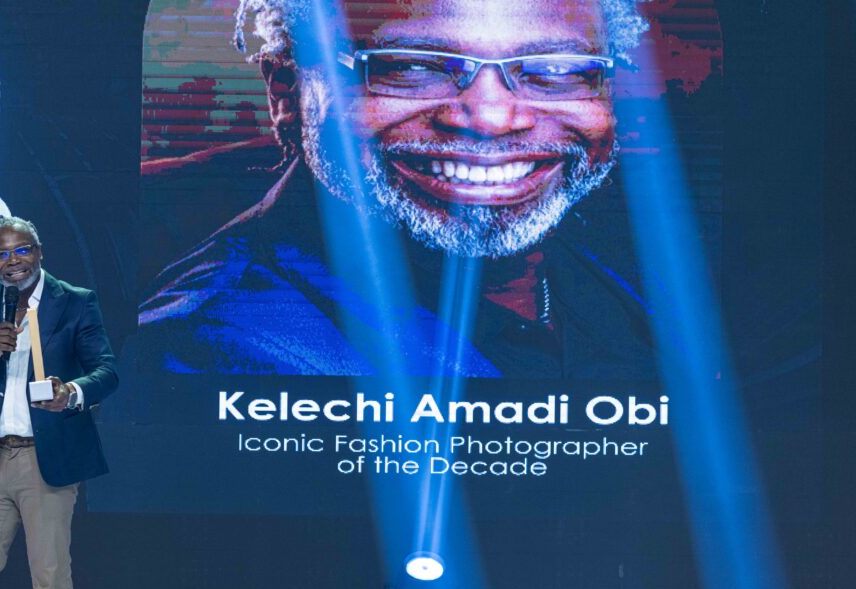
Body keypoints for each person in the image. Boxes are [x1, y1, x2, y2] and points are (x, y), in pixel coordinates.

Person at [138, 0, 655, 379]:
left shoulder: (622, 272)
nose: (492, 119)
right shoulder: (220, 347)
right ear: (287, 90)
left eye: (556, 70)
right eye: (411, 67)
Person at [0, 215, 118, 589]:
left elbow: (107, 371)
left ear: (39, 252)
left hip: (46, 461)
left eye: (21, 250)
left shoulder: (75, 301)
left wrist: (71, 393)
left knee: (50, 587)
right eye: (0, 254)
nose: (13, 261)